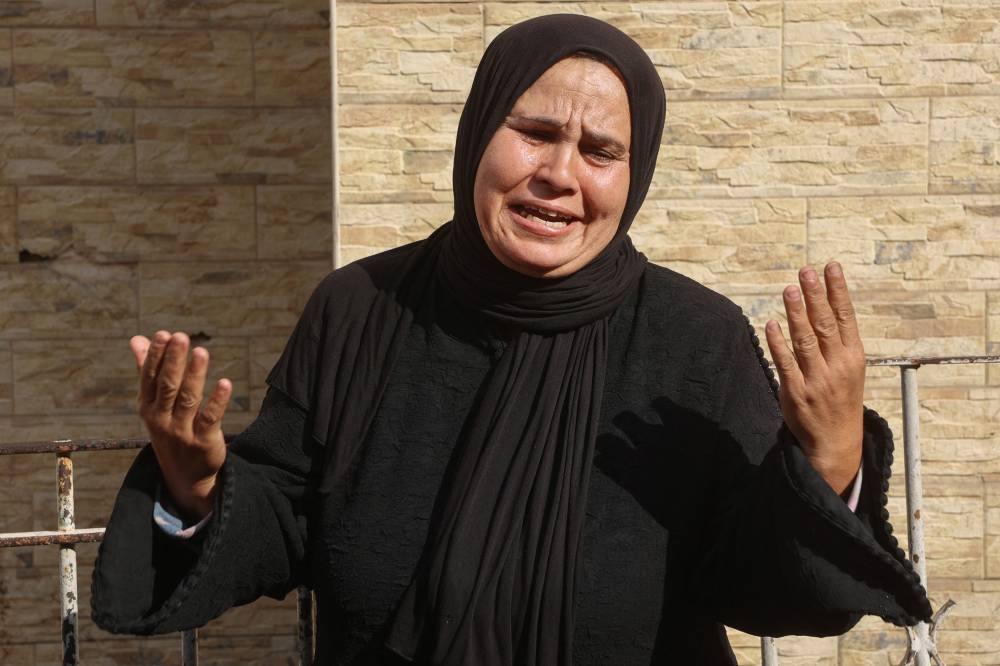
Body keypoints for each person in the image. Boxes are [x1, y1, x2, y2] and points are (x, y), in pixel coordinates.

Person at [91, 14, 932, 665]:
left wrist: (828, 464)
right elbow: (288, 515)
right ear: (479, 129)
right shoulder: (360, 308)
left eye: (600, 151)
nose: (560, 175)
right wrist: (198, 487)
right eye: (534, 133)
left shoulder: (692, 338)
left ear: (631, 180)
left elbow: (762, 587)